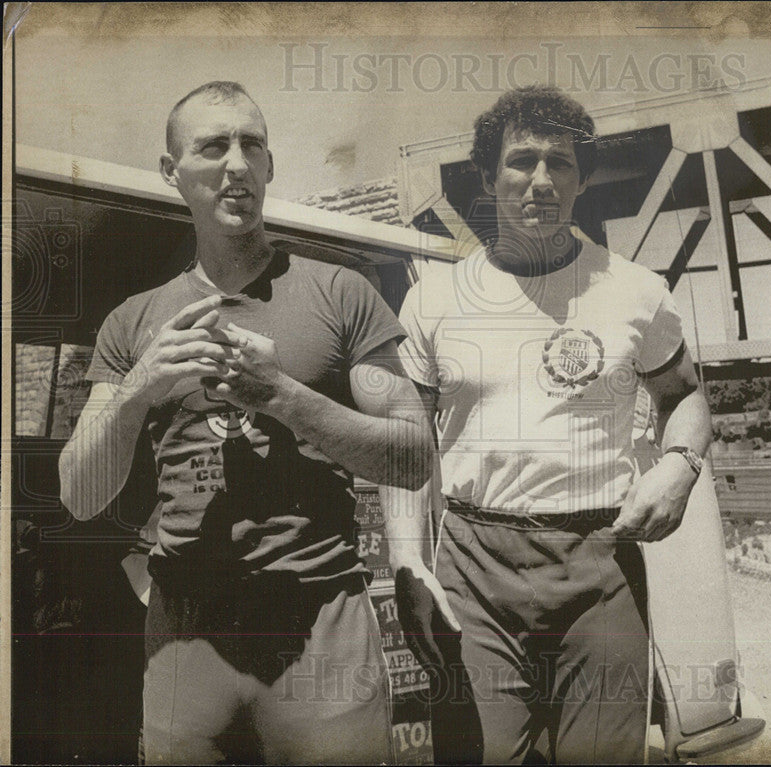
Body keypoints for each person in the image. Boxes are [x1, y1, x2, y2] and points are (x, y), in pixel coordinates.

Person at [59, 81, 432, 764]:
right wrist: (140, 386)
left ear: (269, 165)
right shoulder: (133, 322)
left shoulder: (340, 293)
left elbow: (413, 454)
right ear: (172, 173)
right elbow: (79, 494)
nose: (236, 163)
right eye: (212, 146)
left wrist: (282, 394)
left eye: (250, 144)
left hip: (319, 617)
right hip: (187, 632)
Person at [386, 85, 714, 764]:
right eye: (521, 161)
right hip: (476, 564)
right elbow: (404, 443)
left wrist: (680, 465)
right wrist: (406, 558)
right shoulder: (435, 298)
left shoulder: (634, 290)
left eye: (560, 163)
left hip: (600, 561)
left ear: (583, 176)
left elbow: (686, 395)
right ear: (487, 175)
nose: (541, 180)